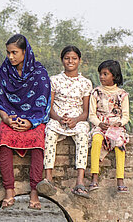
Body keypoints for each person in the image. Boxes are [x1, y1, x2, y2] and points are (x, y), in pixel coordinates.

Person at [0, 34, 51, 210]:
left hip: (33, 120)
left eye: (14, 52)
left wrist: (31, 123)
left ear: (25, 52)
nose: (10, 56)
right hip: (11, 118)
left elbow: (44, 103)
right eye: (8, 52)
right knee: (3, 138)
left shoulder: (39, 73)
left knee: (38, 141)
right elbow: (1, 100)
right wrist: (6, 118)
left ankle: (34, 191)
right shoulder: (5, 70)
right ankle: (9, 190)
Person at [37, 46, 93, 198]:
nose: (70, 61)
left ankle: (79, 182)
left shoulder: (86, 83)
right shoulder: (54, 80)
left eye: (74, 58)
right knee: (49, 132)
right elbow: (50, 108)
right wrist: (59, 118)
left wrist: (75, 120)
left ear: (79, 61)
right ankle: (48, 178)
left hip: (77, 120)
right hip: (58, 119)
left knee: (83, 134)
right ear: (62, 60)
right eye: (67, 58)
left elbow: (86, 112)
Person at [88, 60, 130, 193]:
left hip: (116, 127)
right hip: (100, 126)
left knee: (119, 143)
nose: (102, 77)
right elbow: (91, 115)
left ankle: (120, 179)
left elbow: (126, 116)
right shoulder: (95, 93)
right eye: (101, 74)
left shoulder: (122, 94)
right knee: (96, 140)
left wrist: (120, 123)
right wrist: (99, 123)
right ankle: (94, 177)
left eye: (105, 74)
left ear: (114, 76)